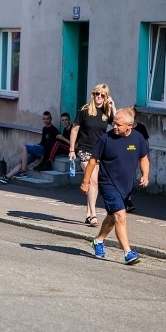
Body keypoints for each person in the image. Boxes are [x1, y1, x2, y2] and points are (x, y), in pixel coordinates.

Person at [82, 108, 150, 265]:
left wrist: (145, 175)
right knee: (120, 216)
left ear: (129, 126)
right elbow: (92, 160)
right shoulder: (105, 139)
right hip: (108, 183)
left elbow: (144, 158)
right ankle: (128, 253)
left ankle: (98, 241)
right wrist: (86, 182)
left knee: (112, 216)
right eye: (114, 123)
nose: (114, 126)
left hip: (125, 186)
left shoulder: (138, 138)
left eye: (118, 124)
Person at [68, 84, 116, 226]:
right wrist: (72, 149)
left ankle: (88, 213)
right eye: (97, 94)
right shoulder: (85, 110)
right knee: (93, 180)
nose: (99, 97)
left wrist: (113, 107)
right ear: (93, 95)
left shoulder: (107, 112)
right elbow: (75, 129)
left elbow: (117, 126)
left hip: (100, 151)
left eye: (103, 95)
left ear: (106, 97)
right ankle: (94, 215)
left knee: (93, 182)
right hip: (85, 149)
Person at [0, 111, 58, 184]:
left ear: (51, 119)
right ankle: (6, 177)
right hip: (40, 148)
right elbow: (43, 141)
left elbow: (53, 145)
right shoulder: (44, 129)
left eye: (47, 118)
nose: (46, 120)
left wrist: (46, 156)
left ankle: (24, 172)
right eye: (44, 119)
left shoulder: (54, 130)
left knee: (25, 147)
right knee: (23, 162)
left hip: (44, 150)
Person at [124, 106, 150, 213]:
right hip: (125, 156)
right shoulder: (123, 128)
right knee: (126, 178)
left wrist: (147, 155)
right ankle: (126, 201)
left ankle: (127, 200)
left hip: (136, 157)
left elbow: (146, 143)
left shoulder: (141, 128)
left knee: (130, 178)